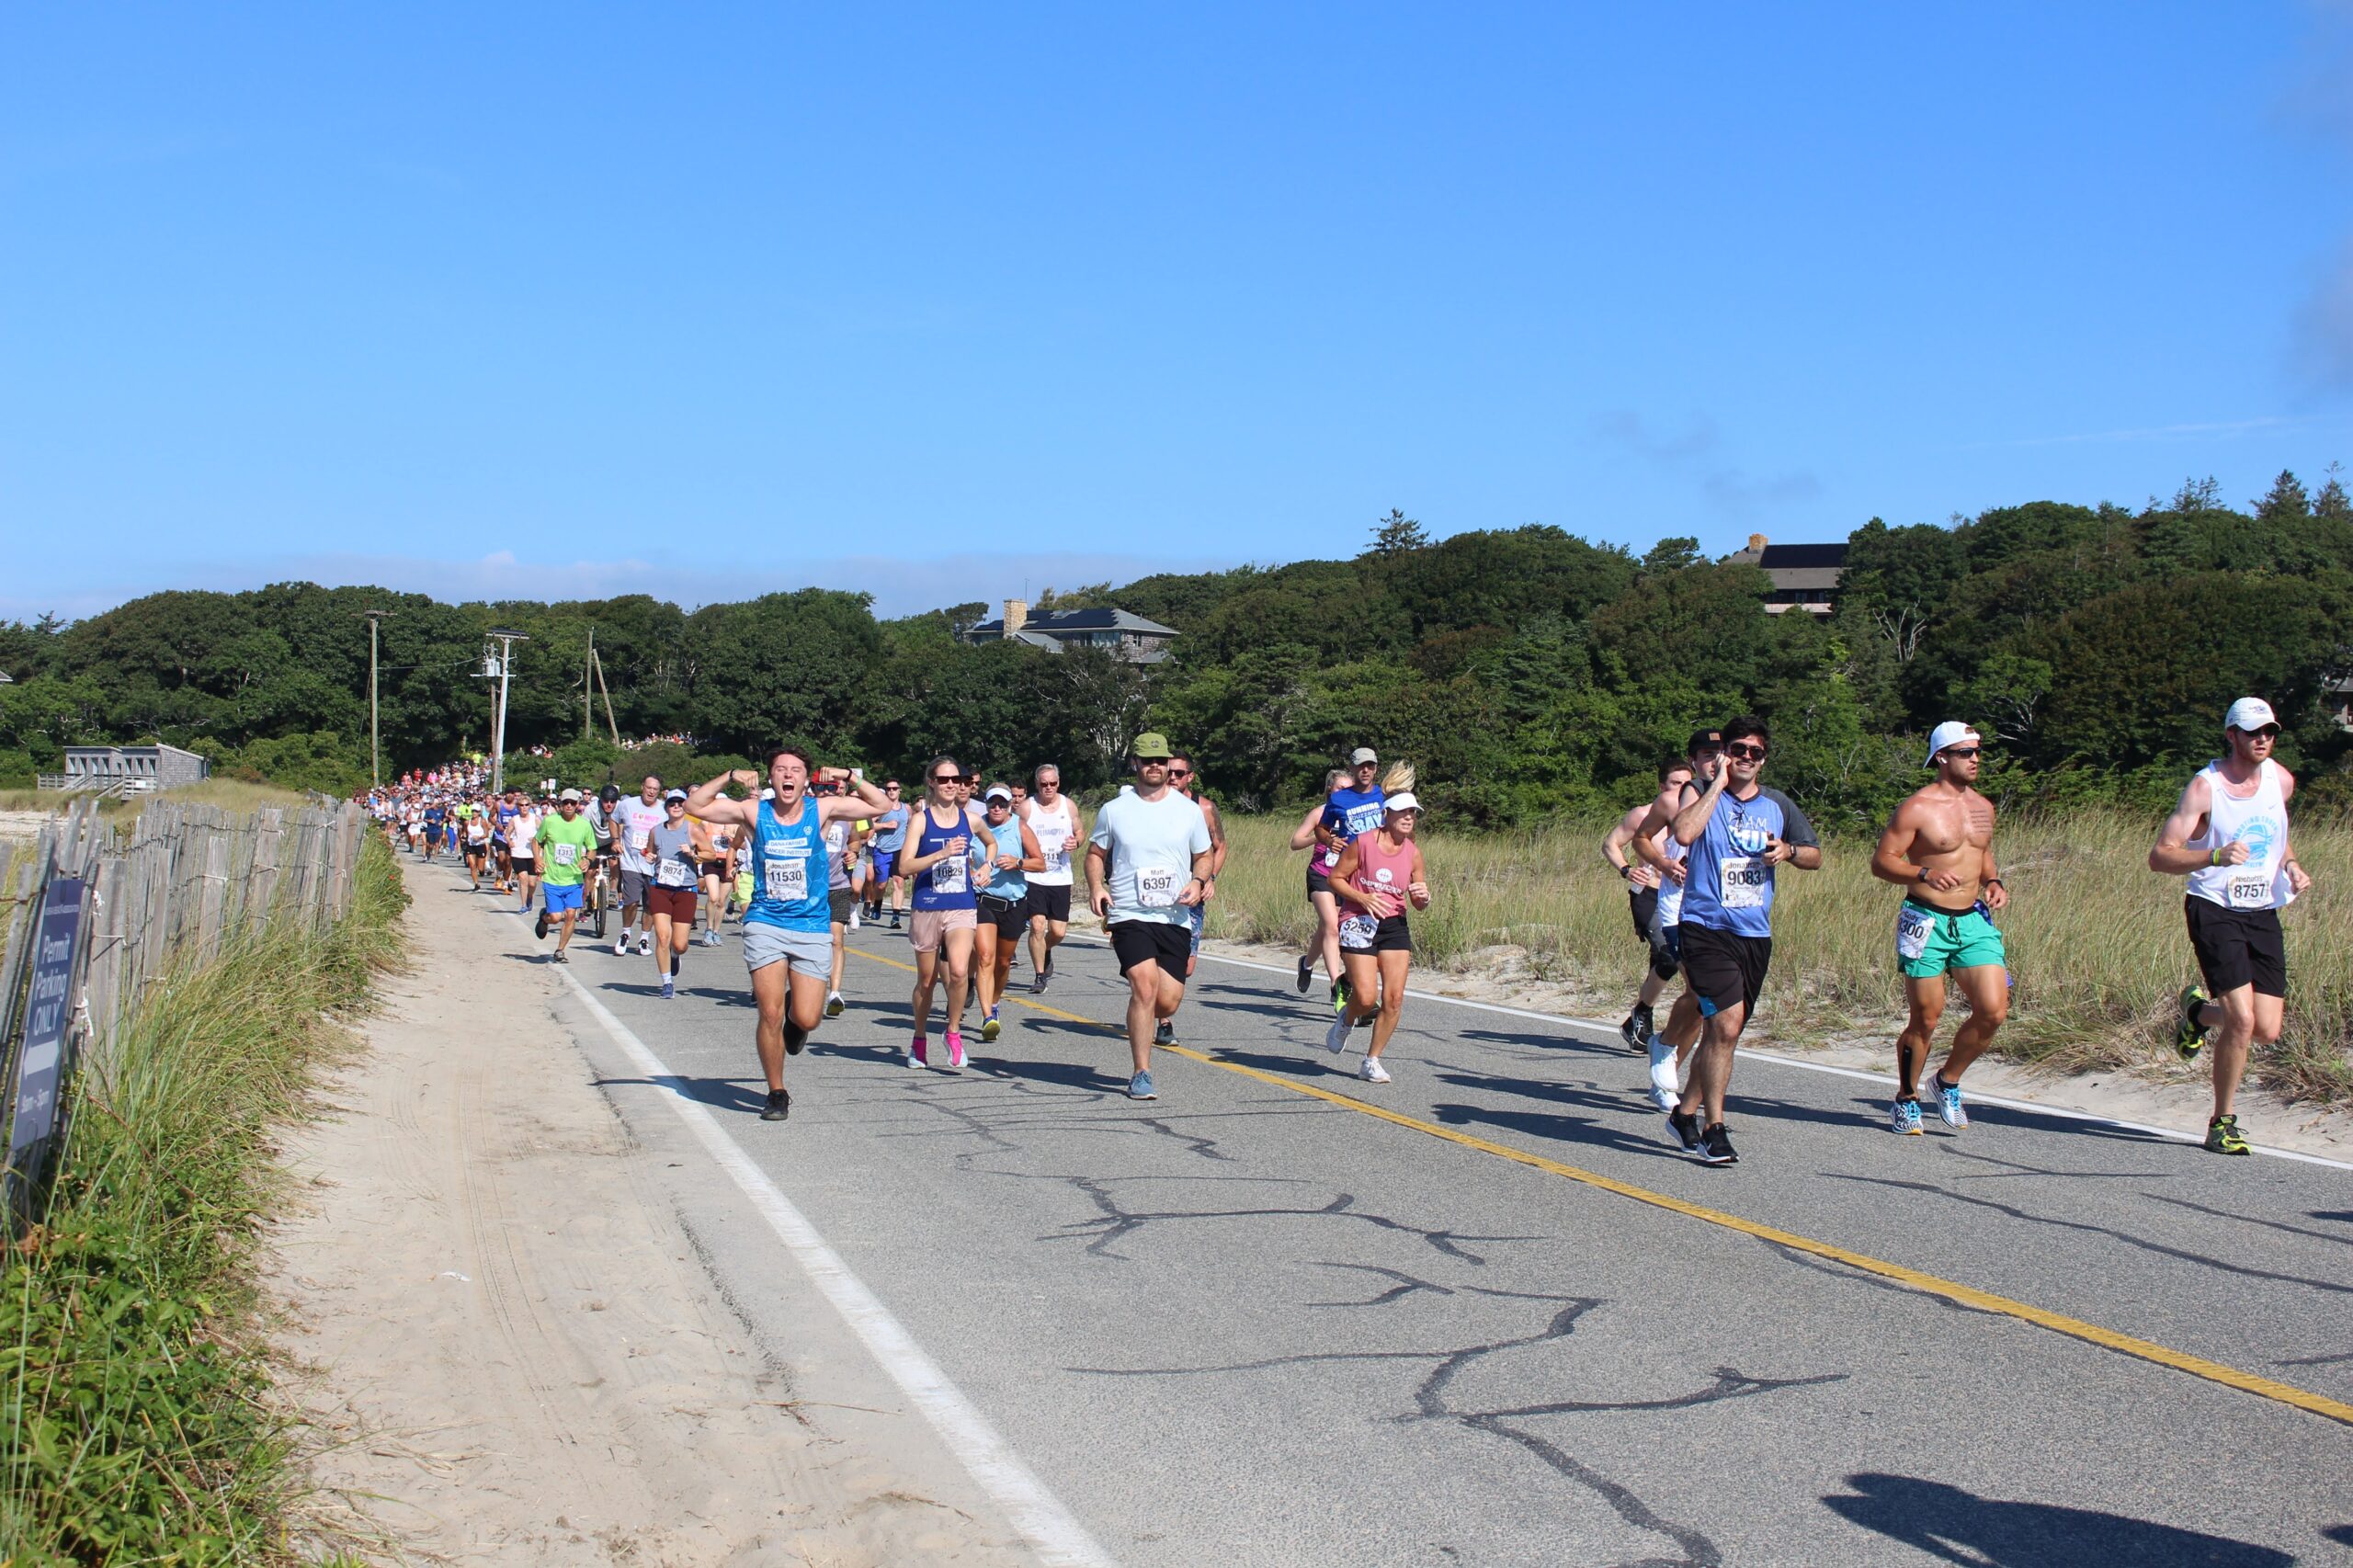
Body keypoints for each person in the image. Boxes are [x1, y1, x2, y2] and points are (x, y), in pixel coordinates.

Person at [683, 753, 895, 1122]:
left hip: (812, 924)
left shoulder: (823, 808)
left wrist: (849, 775)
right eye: (780, 769)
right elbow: (694, 805)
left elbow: (881, 804)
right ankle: (776, 1092)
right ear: (770, 777)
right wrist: (731, 775)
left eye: (795, 770)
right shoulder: (753, 812)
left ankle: (797, 1020)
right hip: (766, 922)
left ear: (805, 780)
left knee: (808, 1017)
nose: (788, 775)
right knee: (769, 1012)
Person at [2149, 698, 2313, 1155]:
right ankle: (2222, 1122)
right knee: (2241, 1020)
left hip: (2263, 909)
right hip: (2214, 906)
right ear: (2231, 735)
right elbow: (2161, 855)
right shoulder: (2206, 788)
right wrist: (2214, 855)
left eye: (2269, 732)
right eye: (2252, 732)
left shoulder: (2281, 781)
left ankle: (2198, 1015)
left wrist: (2293, 864)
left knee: (2266, 1029)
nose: (2262, 739)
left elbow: (2277, 835)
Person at [1663, 716, 1823, 1167]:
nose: (1746, 758)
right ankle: (1715, 1128)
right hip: (1705, 928)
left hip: (1755, 933)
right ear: (1724, 754)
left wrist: (1788, 852)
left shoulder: (1777, 805)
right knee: (1726, 1026)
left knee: (1722, 1034)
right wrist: (1718, 783)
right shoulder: (1698, 792)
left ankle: (1684, 1114)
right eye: (1738, 750)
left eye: (1755, 752)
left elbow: (1815, 855)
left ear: (1765, 759)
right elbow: (1684, 833)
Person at [1870, 723, 2011, 1135]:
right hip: (1925, 920)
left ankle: (1947, 1081)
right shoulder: (1917, 807)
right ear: (1941, 757)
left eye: (1977, 751)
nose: (1975, 758)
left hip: (1972, 921)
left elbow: (1981, 853)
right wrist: (1923, 872)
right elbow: (1882, 862)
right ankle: (1907, 1097)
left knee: (1993, 1010)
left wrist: (1993, 881)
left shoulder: (1984, 806)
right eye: (1965, 752)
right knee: (1926, 1018)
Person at [1086, 733, 1215, 1101]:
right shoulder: (1115, 809)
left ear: (1169, 765)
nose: (1154, 767)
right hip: (1129, 911)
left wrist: (1198, 879)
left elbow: (1204, 855)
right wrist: (1097, 887)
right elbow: (1095, 854)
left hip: (1174, 914)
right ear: (1135, 764)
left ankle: (1148, 1019)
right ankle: (1141, 1072)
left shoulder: (1188, 811)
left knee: (1168, 1000)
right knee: (1143, 986)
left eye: (1161, 761)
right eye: (1147, 761)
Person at [1630, 732, 1722, 1113]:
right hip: (1678, 909)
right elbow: (1641, 839)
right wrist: (1665, 864)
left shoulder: (1736, 801)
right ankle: (1668, 1061)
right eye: (1706, 755)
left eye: (1721, 753)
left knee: (1707, 1002)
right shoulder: (1671, 800)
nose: (1715, 761)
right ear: (1692, 759)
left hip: (1720, 912)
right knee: (1705, 995)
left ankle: (1667, 1052)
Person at [1323, 791, 1431, 1083]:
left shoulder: (1413, 852)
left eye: (1413, 813)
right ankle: (1346, 1019)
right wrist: (1363, 898)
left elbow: (1419, 900)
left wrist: (1423, 897)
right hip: (1358, 919)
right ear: (1387, 815)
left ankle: (1371, 1060)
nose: (1409, 817)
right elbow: (1335, 878)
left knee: (1394, 999)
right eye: (1402, 812)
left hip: (1394, 924)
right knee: (1366, 997)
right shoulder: (1364, 842)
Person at [900, 757, 990, 1070]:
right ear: (932, 783)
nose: (952, 784)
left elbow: (990, 844)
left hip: (961, 905)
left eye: (958, 779)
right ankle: (920, 1038)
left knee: (959, 971)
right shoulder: (921, 821)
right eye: (945, 779)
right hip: (927, 905)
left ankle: (953, 1033)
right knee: (926, 981)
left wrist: (987, 866)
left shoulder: (971, 820)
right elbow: (904, 865)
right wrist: (941, 853)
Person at [1606, 756, 1694, 1053]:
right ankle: (1646, 1016)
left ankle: (1640, 1016)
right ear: (1661, 786)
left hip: (1682, 898)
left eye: (1687, 783)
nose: (1682, 789)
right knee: (1669, 956)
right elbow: (1611, 844)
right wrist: (1626, 869)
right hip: (1648, 894)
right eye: (1675, 783)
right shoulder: (1643, 815)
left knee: (1664, 960)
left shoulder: (1698, 817)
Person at [1302, 748, 1387, 1015]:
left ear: (1375, 768)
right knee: (1333, 926)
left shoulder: (1384, 795)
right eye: (1361, 766)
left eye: (1370, 766)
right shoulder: (1338, 800)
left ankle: (1323, 970)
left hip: (1370, 873)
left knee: (1360, 931)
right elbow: (1320, 829)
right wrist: (1329, 840)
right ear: (1352, 768)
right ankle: (1338, 983)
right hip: (1336, 873)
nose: (1366, 770)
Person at [1157, 753, 1228, 1044]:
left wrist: (1209, 879)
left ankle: (1161, 1000)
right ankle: (1164, 1021)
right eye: (1168, 772)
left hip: (1192, 893)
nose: (1171, 777)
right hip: (1157, 893)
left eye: (1178, 773)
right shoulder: (1152, 805)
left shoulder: (1204, 807)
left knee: (1185, 964)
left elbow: (1220, 847)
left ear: (1190, 777)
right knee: (1154, 954)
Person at [973, 784, 1045, 1041]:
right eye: (992, 803)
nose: (996, 808)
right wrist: (971, 873)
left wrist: (1019, 863)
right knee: (985, 957)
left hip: (1012, 904)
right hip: (982, 901)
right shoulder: (975, 825)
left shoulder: (1019, 827)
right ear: (986, 803)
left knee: (1003, 963)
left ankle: (993, 1002)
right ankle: (987, 1017)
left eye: (1002, 804)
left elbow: (1040, 862)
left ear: (1009, 806)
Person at [1289, 767, 1352, 1002]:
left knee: (1328, 928)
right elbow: (1295, 842)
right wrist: (1321, 835)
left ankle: (1306, 964)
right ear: (1330, 789)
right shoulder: (1320, 813)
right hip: (1320, 874)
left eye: (1349, 788)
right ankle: (1336, 984)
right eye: (1340, 788)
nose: (1345, 792)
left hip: (1344, 879)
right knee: (1332, 926)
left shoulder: (1354, 815)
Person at [1020, 764, 1085, 993]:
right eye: (1044, 784)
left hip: (1060, 876)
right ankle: (1039, 976)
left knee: (1057, 932)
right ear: (1037, 784)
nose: (1048, 788)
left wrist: (1076, 842)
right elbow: (1014, 834)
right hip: (1034, 875)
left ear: (1058, 782)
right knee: (1037, 926)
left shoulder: (1068, 805)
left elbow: (1080, 832)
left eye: (1053, 783)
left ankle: (1045, 950)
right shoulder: (1027, 807)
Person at [640, 790, 701, 998]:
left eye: (679, 803)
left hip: (686, 890)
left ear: (685, 806)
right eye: (672, 803)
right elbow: (649, 851)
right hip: (661, 888)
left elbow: (709, 853)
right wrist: (649, 857)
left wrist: (692, 853)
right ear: (666, 807)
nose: (676, 806)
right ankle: (667, 982)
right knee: (663, 937)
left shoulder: (693, 829)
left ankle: (675, 955)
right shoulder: (656, 831)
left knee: (680, 944)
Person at [821, 782, 870, 1018]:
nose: (831, 792)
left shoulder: (847, 818)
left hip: (838, 885)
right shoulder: (808, 815)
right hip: (810, 889)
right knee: (812, 942)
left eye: (836, 788)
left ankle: (835, 993)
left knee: (836, 940)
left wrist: (854, 852)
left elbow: (855, 840)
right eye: (825, 787)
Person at [532, 789, 598, 962]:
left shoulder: (584, 825)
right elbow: (536, 840)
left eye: (573, 803)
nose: (569, 806)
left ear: (578, 805)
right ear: (560, 805)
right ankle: (545, 918)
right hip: (553, 877)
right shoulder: (550, 821)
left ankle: (560, 950)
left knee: (570, 914)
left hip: (574, 879)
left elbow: (592, 848)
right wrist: (537, 859)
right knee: (555, 917)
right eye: (565, 803)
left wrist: (588, 861)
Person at [611, 775, 667, 957]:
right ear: (642, 787)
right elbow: (613, 819)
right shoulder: (627, 804)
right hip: (631, 861)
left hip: (654, 865)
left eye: (655, 789)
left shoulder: (664, 809)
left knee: (651, 904)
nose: (651, 791)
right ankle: (625, 933)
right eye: (648, 787)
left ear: (659, 792)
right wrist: (615, 840)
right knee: (632, 901)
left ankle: (644, 938)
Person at [866, 780, 912, 927]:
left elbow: (912, 827)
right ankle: (877, 904)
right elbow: (864, 824)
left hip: (900, 850)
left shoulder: (907, 808)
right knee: (881, 884)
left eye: (894, 788)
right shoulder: (880, 808)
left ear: (900, 791)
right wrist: (884, 825)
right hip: (882, 850)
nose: (891, 791)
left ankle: (896, 917)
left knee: (899, 882)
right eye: (888, 788)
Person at [509, 793, 543, 914]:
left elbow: (543, 834)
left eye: (526, 805)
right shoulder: (515, 819)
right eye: (521, 805)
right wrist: (510, 842)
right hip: (518, 853)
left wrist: (536, 839)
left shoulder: (535, 819)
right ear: (518, 807)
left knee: (532, 883)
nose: (524, 807)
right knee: (523, 878)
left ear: (530, 806)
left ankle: (530, 897)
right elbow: (507, 834)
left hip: (532, 853)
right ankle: (523, 905)